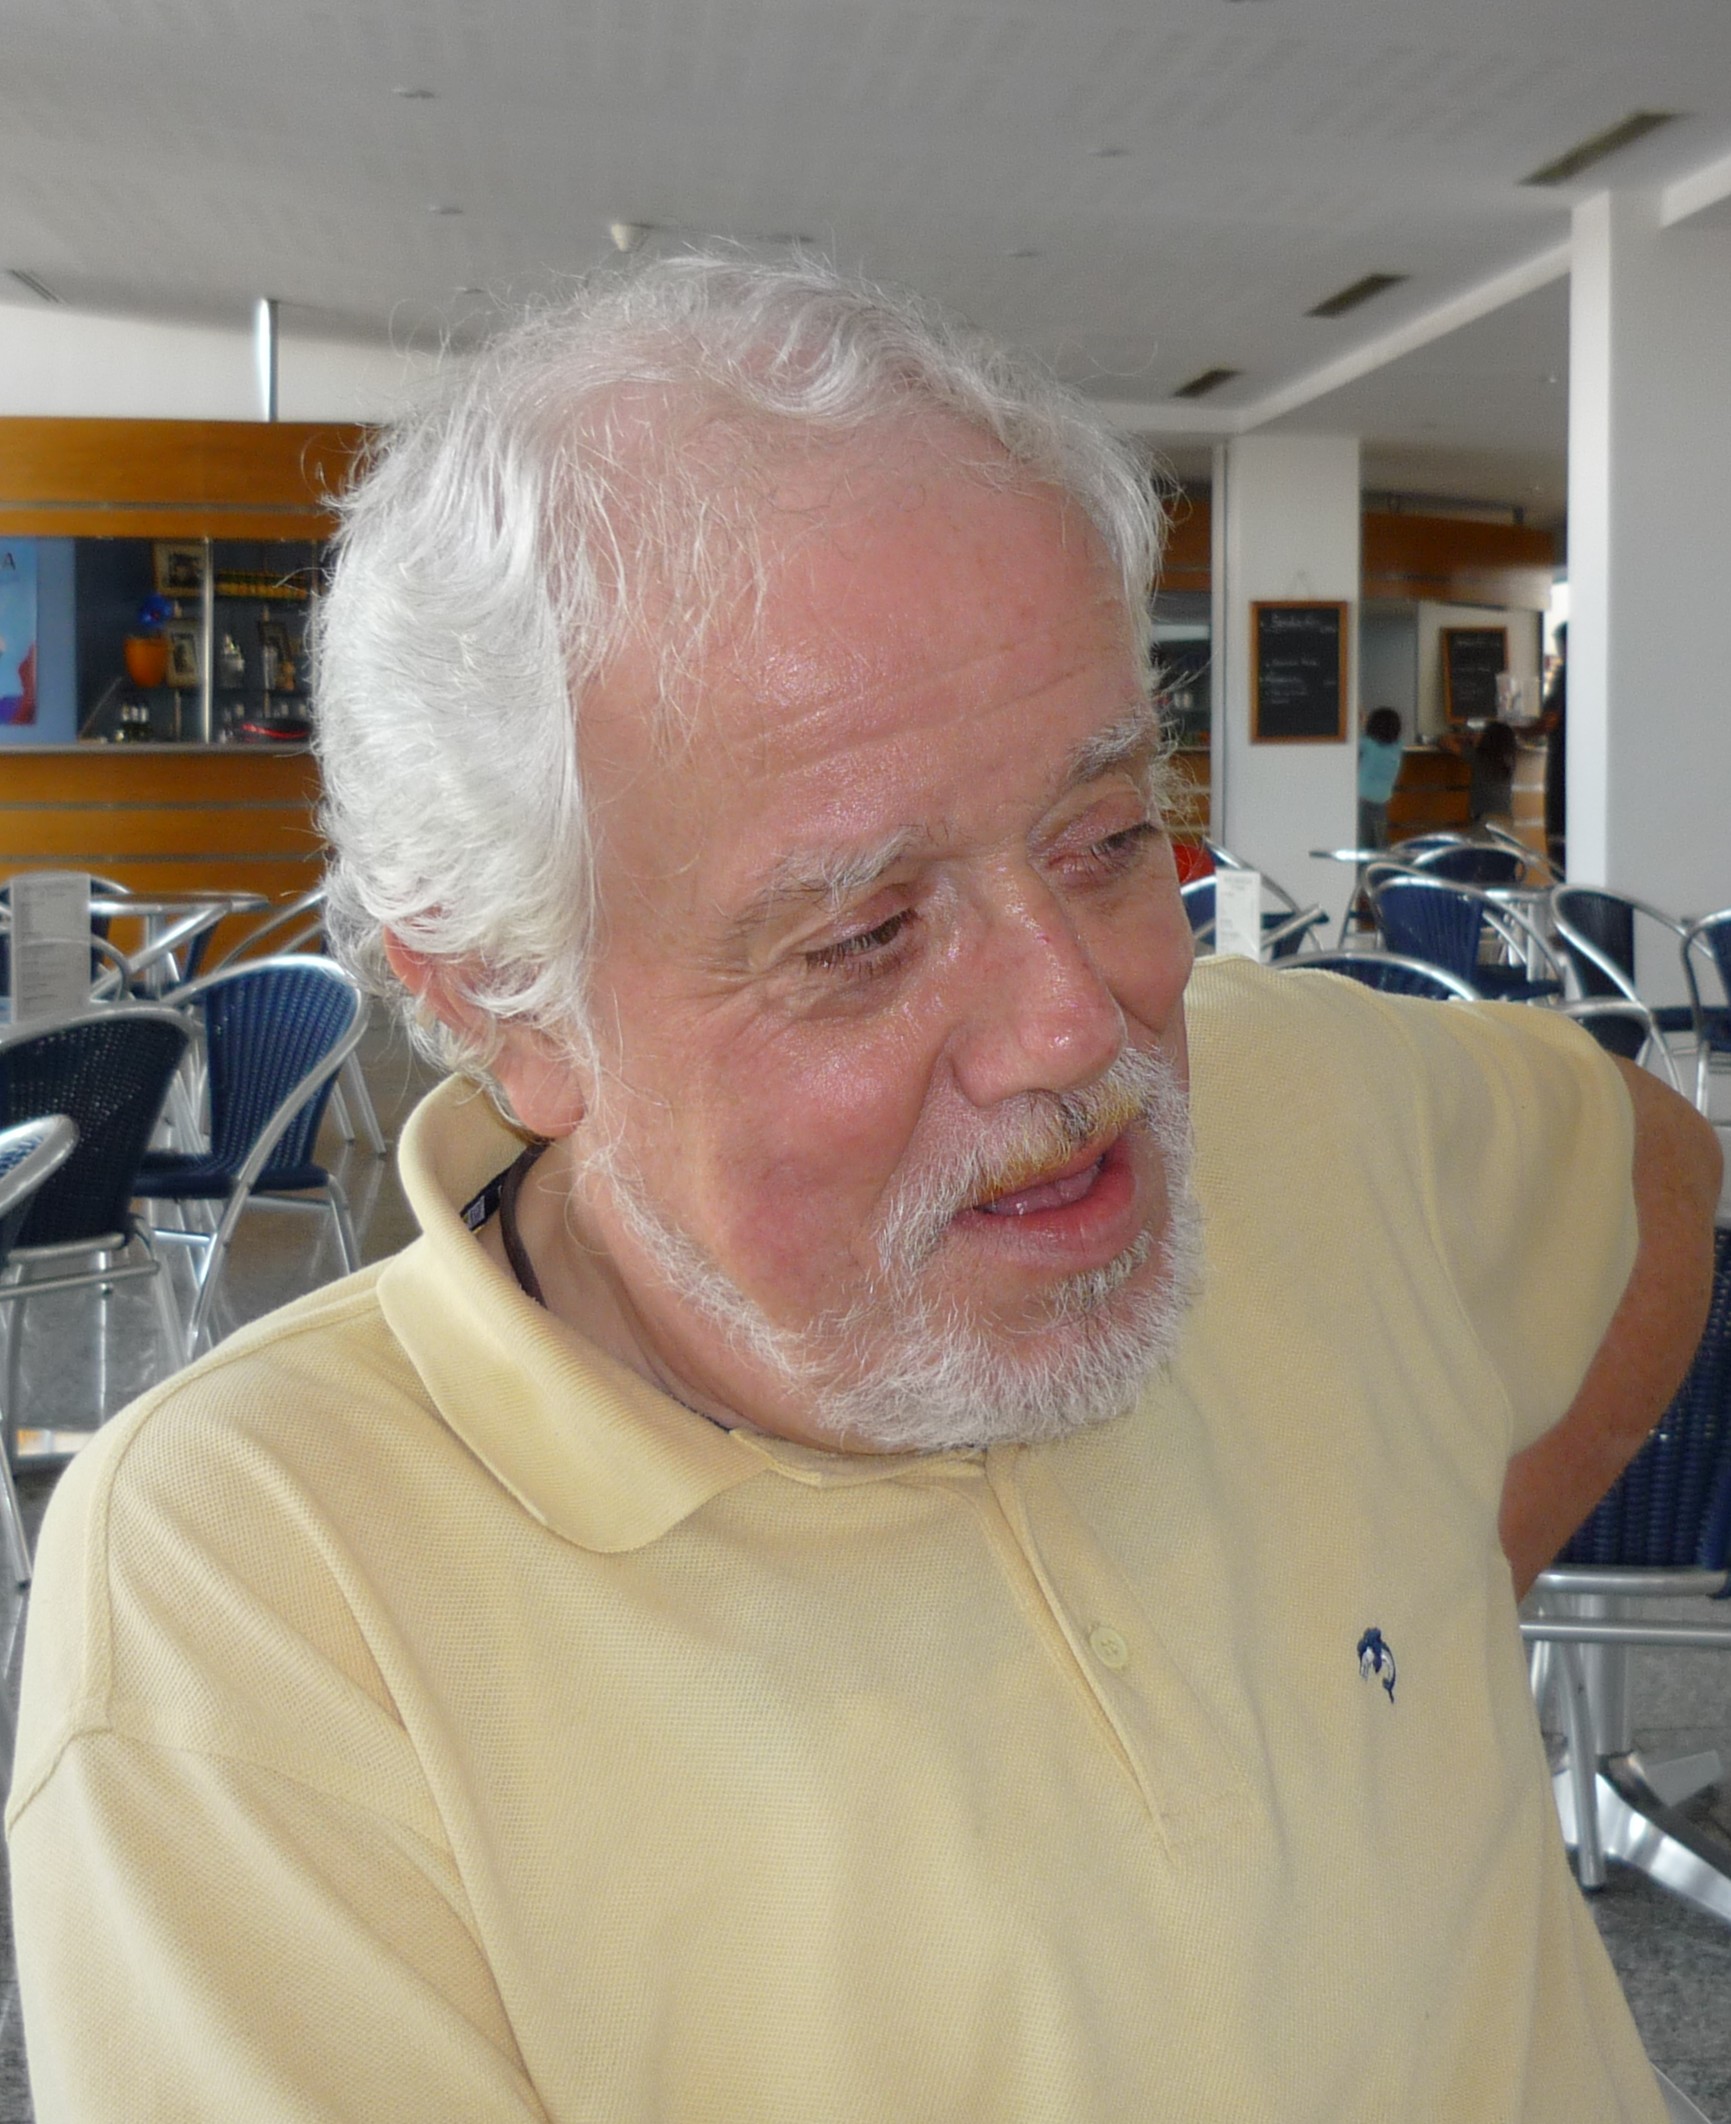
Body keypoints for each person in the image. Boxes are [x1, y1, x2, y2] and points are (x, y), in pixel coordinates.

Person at [8, 255, 1720, 2124]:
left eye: (1106, 837)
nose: (1075, 1022)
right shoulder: (257, 1593)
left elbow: (1652, 1170)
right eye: (866, 935)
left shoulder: (1295, 1094)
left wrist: (1431, 1599)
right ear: (503, 999)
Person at [1356, 703, 1404, 849]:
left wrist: (1359, 720)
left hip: (1362, 798)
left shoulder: (1367, 744)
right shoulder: (1397, 746)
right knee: (1379, 839)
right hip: (1382, 800)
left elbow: (1354, 743)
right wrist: (1364, 721)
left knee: (1363, 841)